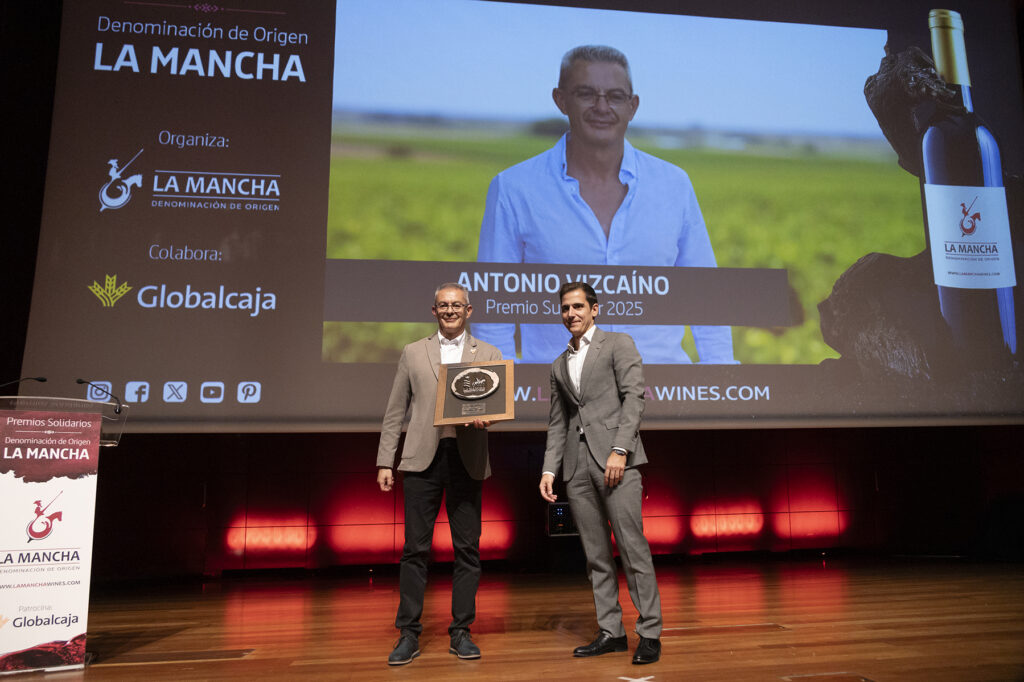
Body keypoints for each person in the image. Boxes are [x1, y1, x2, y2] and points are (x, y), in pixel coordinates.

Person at [477, 44, 735, 365]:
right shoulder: (513, 188)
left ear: (633, 106)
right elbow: (493, 313)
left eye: (615, 96)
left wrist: (723, 383)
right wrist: (508, 399)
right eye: (586, 94)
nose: (602, 107)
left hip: (662, 396)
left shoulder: (674, 185)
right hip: (558, 398)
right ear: (560, 100)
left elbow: (705, 297)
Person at [376, 282, 503, 666]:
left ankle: (461, 631)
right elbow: (395, 411)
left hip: (466, 458)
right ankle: (408, 633)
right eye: (443, 305)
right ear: (434, 311)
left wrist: (489, 419)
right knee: (415, 549)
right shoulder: (413, 352)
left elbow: (495, 406)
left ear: (469, 310)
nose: (450, 311)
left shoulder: (490, 353)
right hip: (421, 460)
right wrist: (385, 460)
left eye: (457, 305)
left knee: (468, 549)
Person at [539, 281, 662, 665]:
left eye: (578, 307)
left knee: (631, 547)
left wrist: (620, 450)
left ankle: (650, 632)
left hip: (616, 461)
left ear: (595, 309)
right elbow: (558, 423)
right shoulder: (559, 364)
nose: (571, 314)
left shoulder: (618, 344)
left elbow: (634, 397)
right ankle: (611, 631)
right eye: (565, 309)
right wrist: (549, 468)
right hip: (576, 468)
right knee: (595, 556)